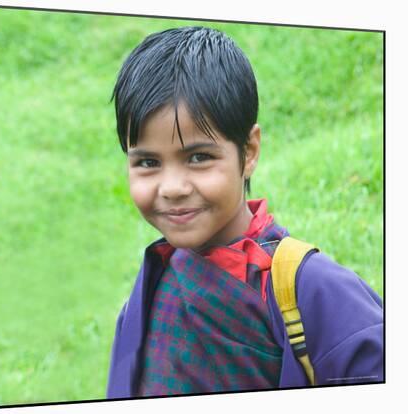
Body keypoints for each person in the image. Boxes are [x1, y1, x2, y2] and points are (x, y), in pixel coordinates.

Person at [106, 26, 383, 399]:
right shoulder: (150, 289)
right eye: (148, 162)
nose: (172, 187)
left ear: (249, 151)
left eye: (199, 157)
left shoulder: (312, 291)